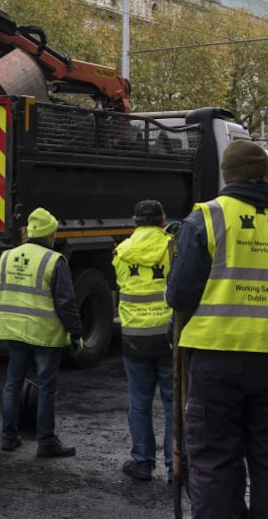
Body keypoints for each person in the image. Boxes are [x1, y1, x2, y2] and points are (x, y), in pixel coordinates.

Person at [165, 139, 268, 519]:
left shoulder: (207, 218)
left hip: (216, 360)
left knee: (214, 461)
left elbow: (179, 296)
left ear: (227, 175)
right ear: (265, 174)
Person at [0, 207, 84, 457]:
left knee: (12, 384)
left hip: (14, 331)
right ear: (49, 234)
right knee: (46, 387)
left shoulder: (7, 257)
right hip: (45, 335)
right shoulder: (54, 261)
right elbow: (66, 303)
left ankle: (8, 437)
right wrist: (76, 333)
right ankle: (46, 442)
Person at [112, 199, 176, 482]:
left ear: (134, 222)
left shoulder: (121, 251)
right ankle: (177, 466)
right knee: (174, 403)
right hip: (168, 337)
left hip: (135, 339)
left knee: (139, 402)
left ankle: (142, 464)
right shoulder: (173, 247)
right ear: (163, 221)